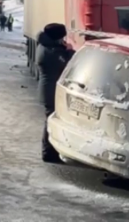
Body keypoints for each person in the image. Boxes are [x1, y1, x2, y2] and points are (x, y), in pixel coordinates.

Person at [37, 23, 75, 162]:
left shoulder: (46, 46)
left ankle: (50, 152)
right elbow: (67, 63)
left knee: (51, 120)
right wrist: (70, 50)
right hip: (50, 91)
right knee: (50, 121)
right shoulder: (50, 52)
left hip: (49, 90)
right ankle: (48, 153)